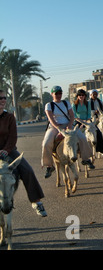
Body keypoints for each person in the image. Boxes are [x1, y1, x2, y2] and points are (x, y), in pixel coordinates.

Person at [0, 89, 47, 217]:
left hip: (9, 151)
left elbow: (12, 137)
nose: (3, 100)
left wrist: (6, 150)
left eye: (4, 98)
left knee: (27, 170)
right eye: (0, 98)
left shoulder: (9, 117)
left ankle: (36, 202)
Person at [41, 86, 95, 178]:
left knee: (82, 137)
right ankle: (49, 166)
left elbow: (72, 115)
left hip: (68, 125)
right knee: (46, 143)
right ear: (52, 94)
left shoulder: (66, 103)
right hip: (55, 127)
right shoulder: (49, 105)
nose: (58, 95)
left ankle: (86, 159)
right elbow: (51, 120)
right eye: (56, 93)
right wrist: (59, 130)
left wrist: (69, 126)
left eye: (60, 93)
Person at [73, 89, 103, 157]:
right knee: (73, 134)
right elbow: (74, 116)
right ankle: (75, 150)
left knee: (98, 132)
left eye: (83, 95)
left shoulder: (87, 103)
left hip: (87, 120)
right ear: (77, 96)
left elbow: (89, 114)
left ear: (85, 96)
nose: (81, 96)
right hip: (78, 121)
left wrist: (87, 121)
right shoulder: (74, 104)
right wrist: (82, 122)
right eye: (80, 95)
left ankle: (102, 149)